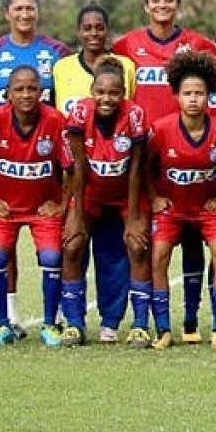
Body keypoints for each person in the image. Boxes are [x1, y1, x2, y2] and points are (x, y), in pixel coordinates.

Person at [112, 0, 216, 345]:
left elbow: (213, 88)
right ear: (146, 5)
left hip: (190, 153)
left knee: (192, 240)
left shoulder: (199, 45)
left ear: (178, 4)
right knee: (148, 242)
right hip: (146, 158)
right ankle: (146, 321)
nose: (162, 5)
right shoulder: (126, 46)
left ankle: (190, 320)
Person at [0, 0, 71, 330]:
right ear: (7, 13)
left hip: (45, 159)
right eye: (18, 8)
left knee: (51, 249)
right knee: (2, 245)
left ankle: (56, 315)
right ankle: (10, 315)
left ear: (38, 11)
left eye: (30, 7)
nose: (25, 14)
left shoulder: (57, 51)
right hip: (3, 156)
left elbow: (64, 101)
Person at [0, 66, 71, 347]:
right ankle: (3, 325)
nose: (26, 95)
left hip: (42, 209)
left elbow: (72, 168)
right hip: (6, 208)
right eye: (19, 89)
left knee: (51, 257)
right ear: (8, 94)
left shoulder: (55, 119)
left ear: (41, 92)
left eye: (32, 89)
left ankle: (50, 324)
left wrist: (62, 203)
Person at [143, 50, 216, 349]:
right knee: (158, 255)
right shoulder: (161, 129)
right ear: (176, 96)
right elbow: (143, 166)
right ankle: (163, 329)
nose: (193, 99)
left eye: (199, 93)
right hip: (172, 209)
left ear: (209, 96)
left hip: (209, 210)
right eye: (187, 93)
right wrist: (154, 197)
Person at [61, 60, 148, 346]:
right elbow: (78, 166)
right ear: (92, 91)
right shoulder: (80, 112)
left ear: (123, 93)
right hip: (91, 195)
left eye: (113, 93)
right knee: (72, 245)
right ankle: (74, 323)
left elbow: (136, 168)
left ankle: (136, 324)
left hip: (125, 195)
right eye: (100, 92)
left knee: (137, 246)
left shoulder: (134, 115)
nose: (106, 99)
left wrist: (133, 217)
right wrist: (76, 215)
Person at [51, 1, 135, 118]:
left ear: (107, 31)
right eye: (87, 28)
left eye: (100, 28)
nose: (94, 33)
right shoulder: (62, 68)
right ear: (78, 32)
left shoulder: (126, 66)